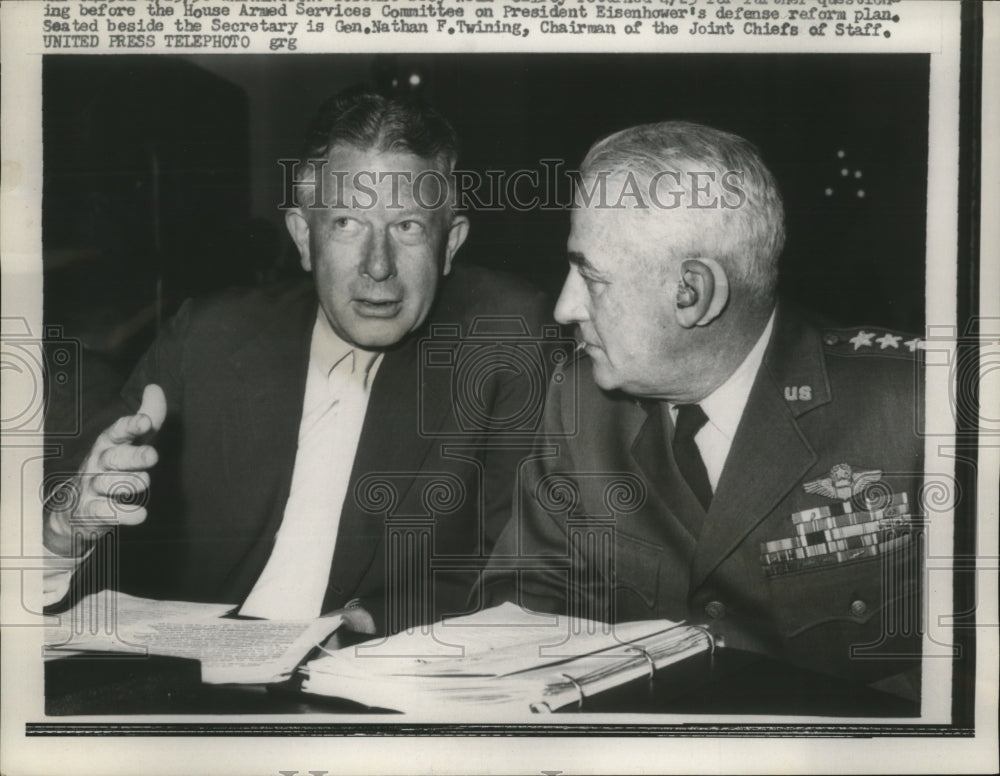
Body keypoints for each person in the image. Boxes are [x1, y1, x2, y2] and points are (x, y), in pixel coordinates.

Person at [44, 88, 550, 634]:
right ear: (303, 237)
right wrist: (63, 530)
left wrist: (372, 626)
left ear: (450, 244)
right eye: (345, 225)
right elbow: (87, 505)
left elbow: (521, 563)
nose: (377, 267)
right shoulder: (208, 337)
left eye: (407, 227)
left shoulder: (504, 339)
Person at [482, 121, 923, 695]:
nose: (566, 307)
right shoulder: (582, 404)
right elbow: (526, 609)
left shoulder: (916, 407)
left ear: (693, 292)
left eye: (591, 277)